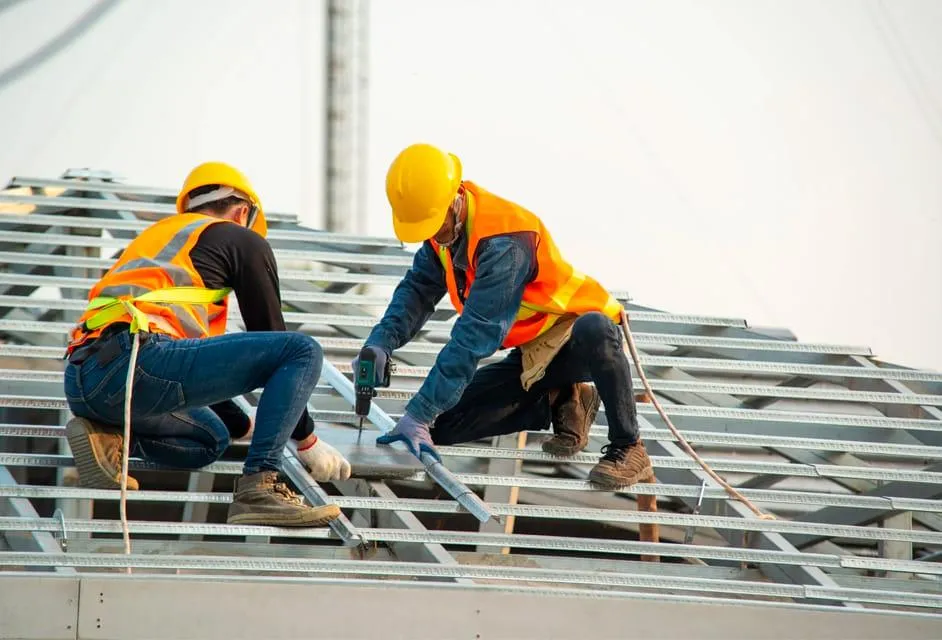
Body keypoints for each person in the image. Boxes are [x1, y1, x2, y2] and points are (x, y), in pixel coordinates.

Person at [63, 161, 351, 527]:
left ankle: (107, 435)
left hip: (85, 378)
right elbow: (272, 335)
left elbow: (194, 370)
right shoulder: (241, 238)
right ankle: (260, 485)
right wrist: (306, 438)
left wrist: (244, 422)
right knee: (302, 350)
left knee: (213, 437)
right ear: (242, 212)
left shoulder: (161, 241)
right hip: (138, 361)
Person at [357, 143, 654, 490]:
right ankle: (561, 398)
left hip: (573, 336)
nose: (432, 235)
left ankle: (628, 446)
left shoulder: (505, 241)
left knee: (596, 328)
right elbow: (416, 292)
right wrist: (381, 342)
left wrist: (419, 410)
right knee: (443, 426)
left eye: (434, 225)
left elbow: (475, 335)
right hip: (533, 355)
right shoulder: (441, 233)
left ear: (455, 198)